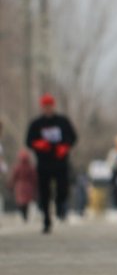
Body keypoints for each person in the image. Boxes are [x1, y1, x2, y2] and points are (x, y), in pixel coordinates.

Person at [26, 93, 78, 233]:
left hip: (60, 162)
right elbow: (29, 141)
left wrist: (65, 146)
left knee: (63, 189)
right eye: (45, 106)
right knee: (44, 193)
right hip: (43, 163)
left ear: (53, 106)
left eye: (49, 106)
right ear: (42, 107)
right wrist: (38, 144)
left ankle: (60, 204)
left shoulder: (62, 121)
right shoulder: (36, 124)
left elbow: (73, 137)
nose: (47, 109)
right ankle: (46, 220)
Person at [8, 150, 37, 222]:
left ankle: (23, 214)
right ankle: (25, 215)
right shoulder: (30, 167)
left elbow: (14, 177)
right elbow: (34, 178)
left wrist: (11, 184)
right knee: (26, 202)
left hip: (20, 186)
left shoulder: (17, 167)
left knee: (21, 202)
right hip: (28, 186)